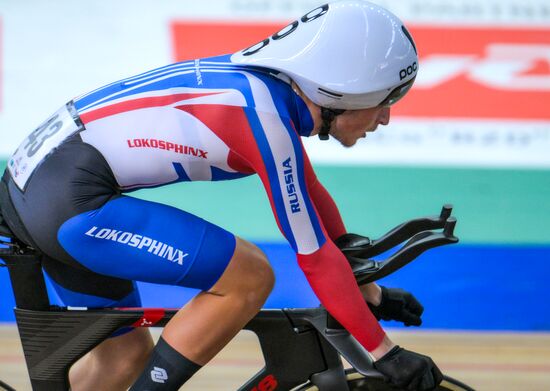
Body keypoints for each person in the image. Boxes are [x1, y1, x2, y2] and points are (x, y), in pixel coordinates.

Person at [0, 1, 443, 390]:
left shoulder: (265, 93)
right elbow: (315, 256)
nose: (385, 117)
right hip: (69, 205)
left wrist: (370, 294)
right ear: (341, 92)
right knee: (248, 276)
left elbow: (312, 198)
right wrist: (383, 352)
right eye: (387, 99)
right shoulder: (264, 119)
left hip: (42, 193)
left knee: (122, 360)